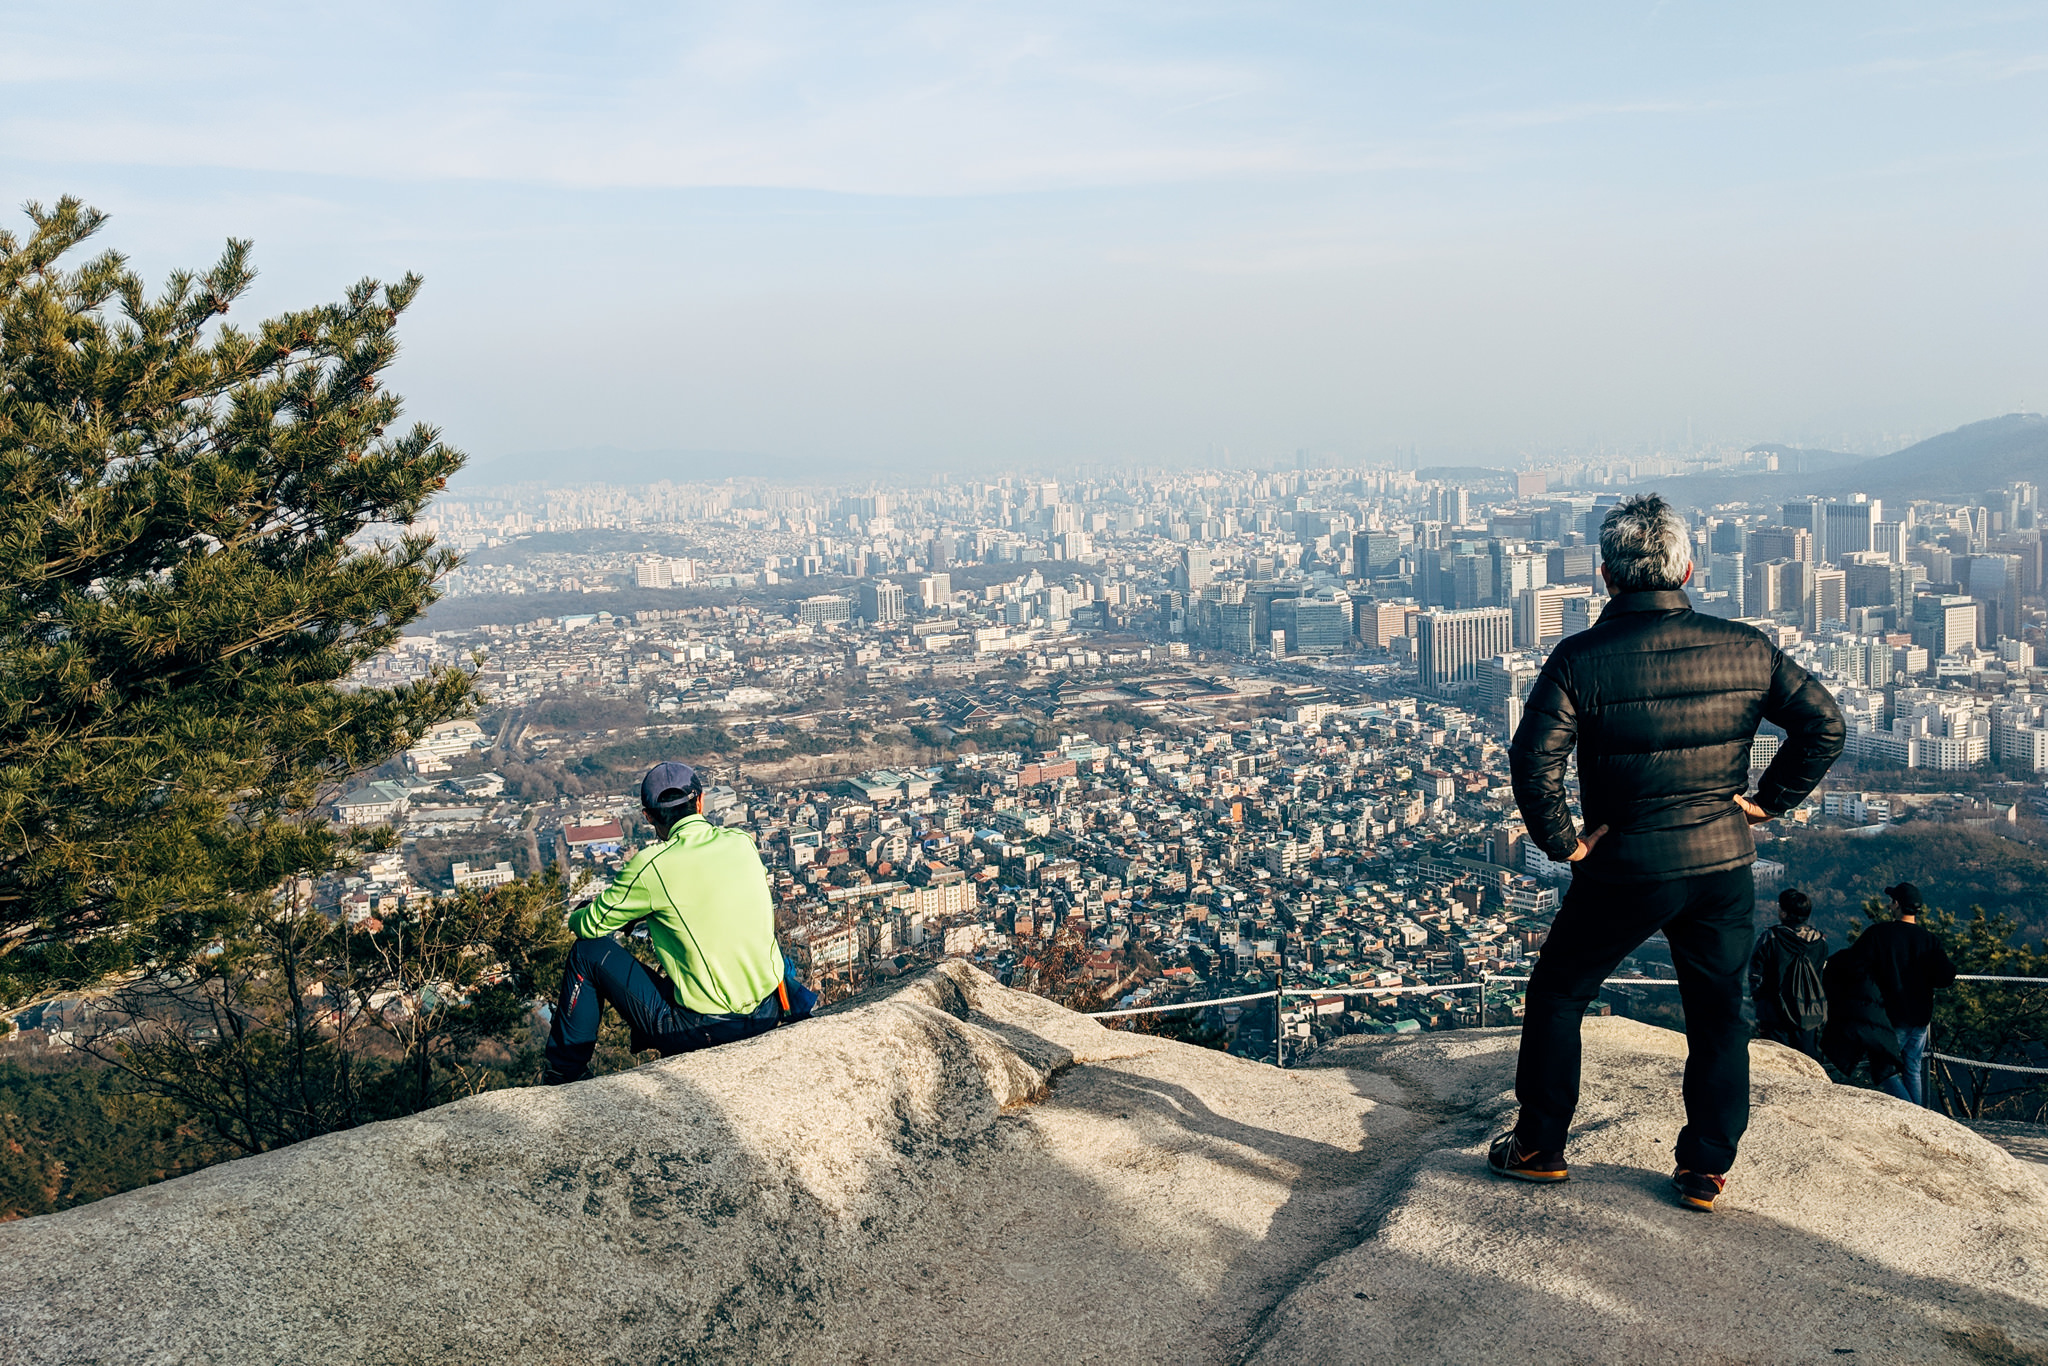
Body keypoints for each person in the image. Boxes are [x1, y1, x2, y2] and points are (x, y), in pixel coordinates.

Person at [1497, 493, 1844, 1213]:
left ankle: (1539, 1146)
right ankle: (1705, 1169)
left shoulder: (1580, 658)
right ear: (1688, 568)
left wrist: (1565, 843)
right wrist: (1767, 801)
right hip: (1721, 861)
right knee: (1719, 1013)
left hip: (1624, 862)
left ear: (1604, 576)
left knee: (1560, 993)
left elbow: (1533, 762)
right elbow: (1825, 725)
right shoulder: (1745, 645)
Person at [543, 762, 815, 1085]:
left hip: (704, 1031)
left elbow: (588, 926)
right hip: (768, 1012)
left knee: (587, 953)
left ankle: (563, 1073)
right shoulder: (741, 842)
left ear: (649, 817)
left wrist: (583, 911)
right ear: (699, 802)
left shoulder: (652, 866)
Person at [1840, 882, 1957, 1106]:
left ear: (1896, 905)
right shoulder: (1929, 939)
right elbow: (1946, 976)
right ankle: (1920, 1115)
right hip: (1921, 1016)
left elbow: (1852, 965)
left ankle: (1912, 1115)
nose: (1889, 904)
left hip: (1891, 1016)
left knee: (1884, 1069)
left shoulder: (1879, 934)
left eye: (1891, 900)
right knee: (1912, 1068)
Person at [1750, 888, 1829, 1064]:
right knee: (1807, 1062)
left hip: (1774, 1012)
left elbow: (1756, 974)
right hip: (1809, 1013)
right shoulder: (1820, 943)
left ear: (1784, 913)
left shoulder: (1770, 938)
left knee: (1775, 1062)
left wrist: (1759, 1001)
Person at [1821, 942, 1908, 1100]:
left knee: (1832, 1059)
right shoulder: (1877, 974)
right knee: (1889, 1071)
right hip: (1879, 1024)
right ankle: (1914, 1110)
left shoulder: (1838, 975)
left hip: (1850, 1023)